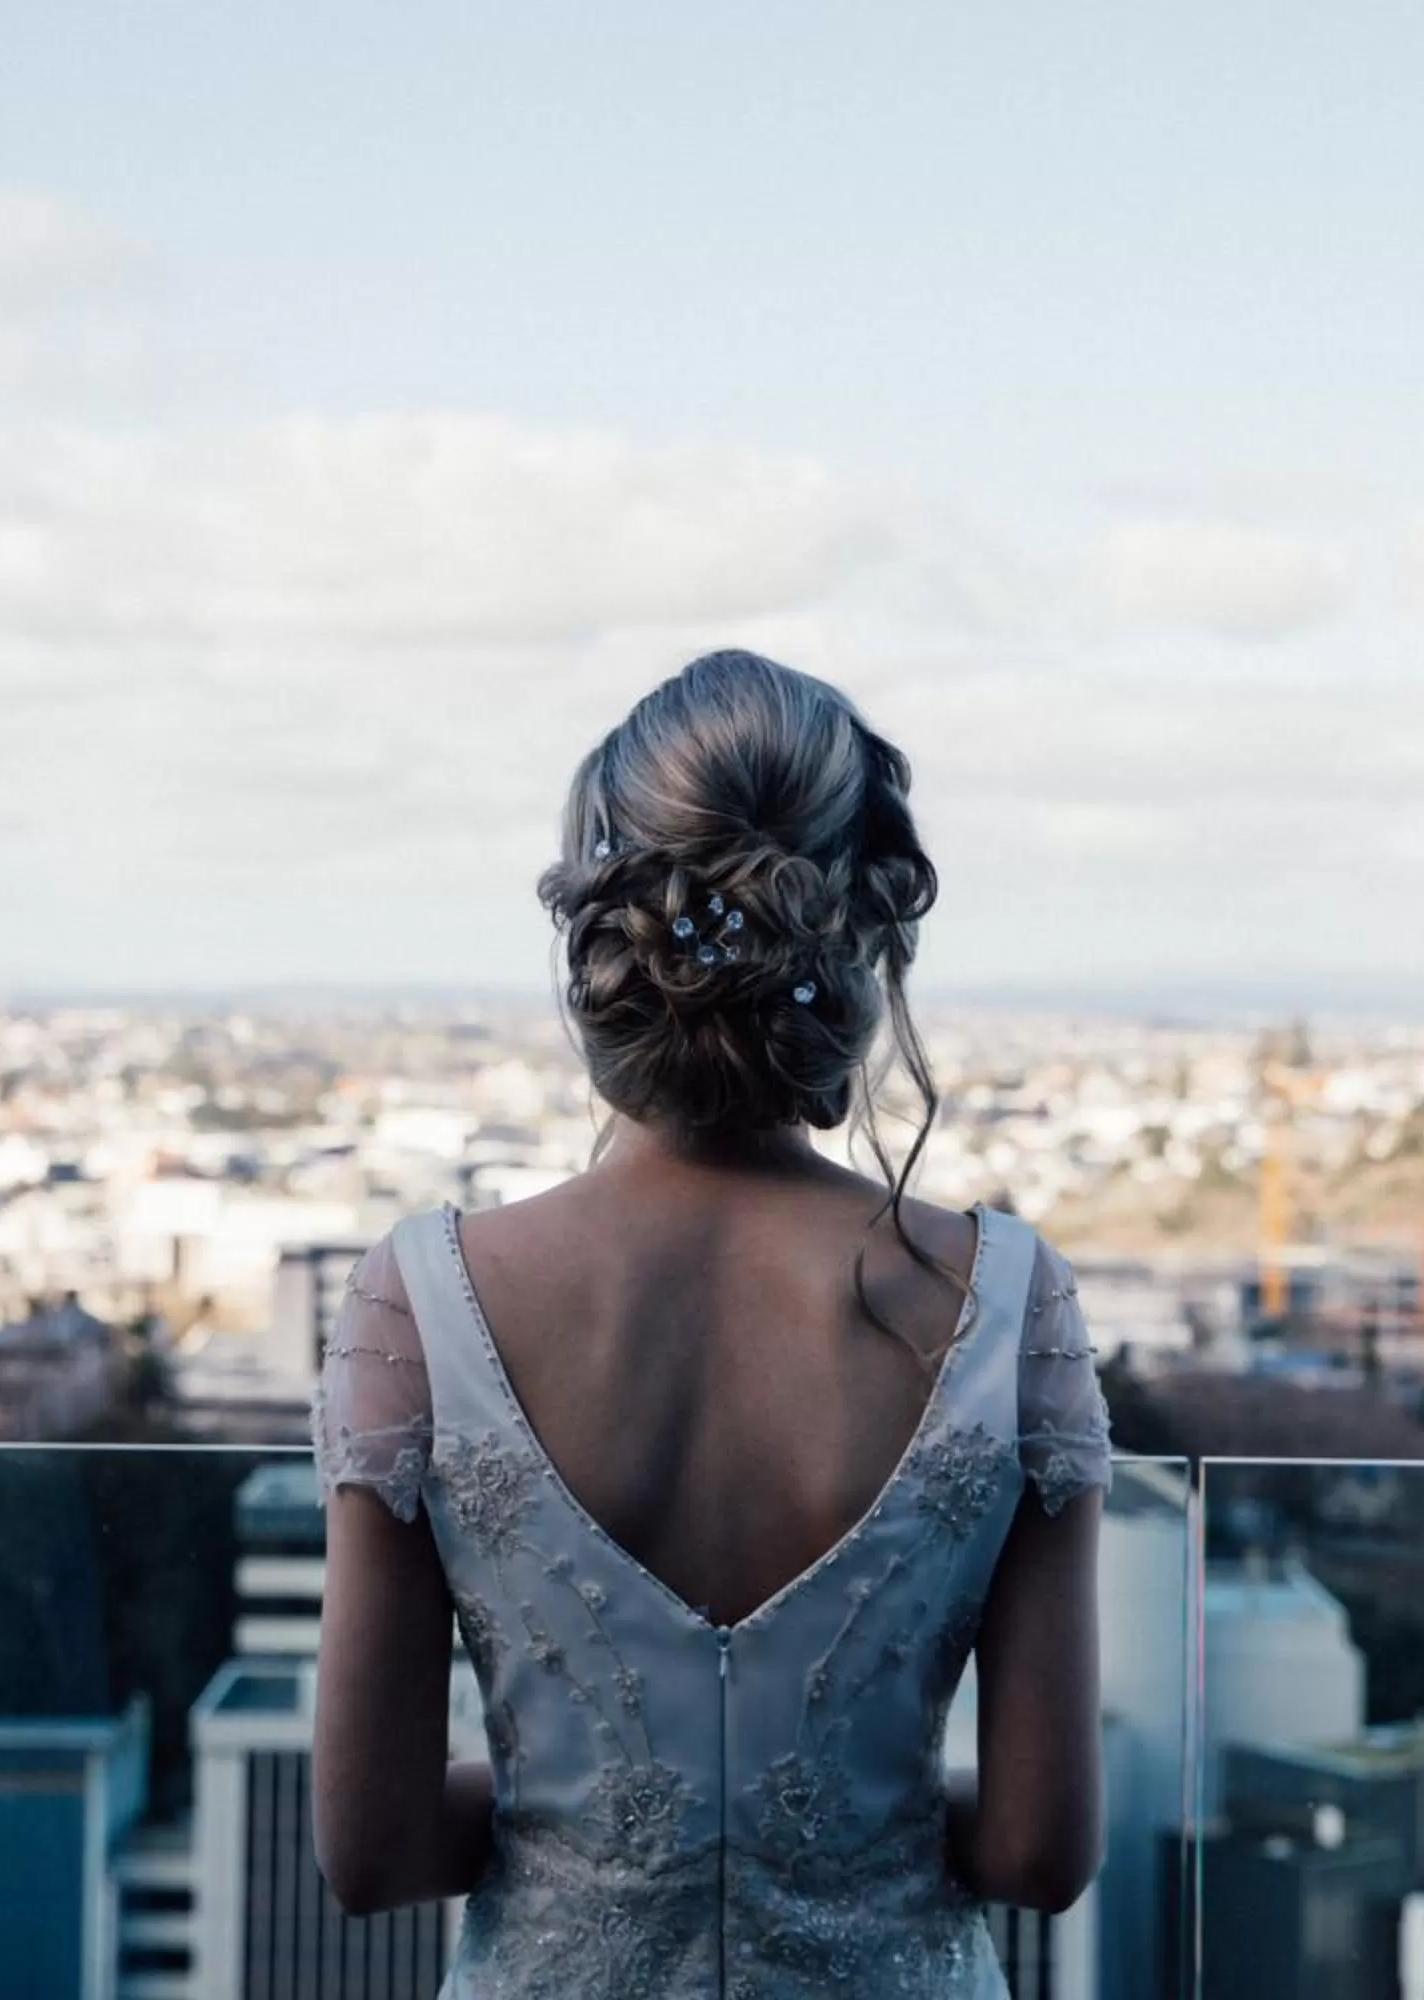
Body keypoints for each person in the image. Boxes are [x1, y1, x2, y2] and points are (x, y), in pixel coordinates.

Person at [310, 650, 1112, 1995]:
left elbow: (372, 1847)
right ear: (858, 935)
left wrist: (603, 1843)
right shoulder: (1007, 1303)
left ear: (604, 939)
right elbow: (1040, 1854)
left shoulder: (427, 1298)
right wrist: (840, 1848)